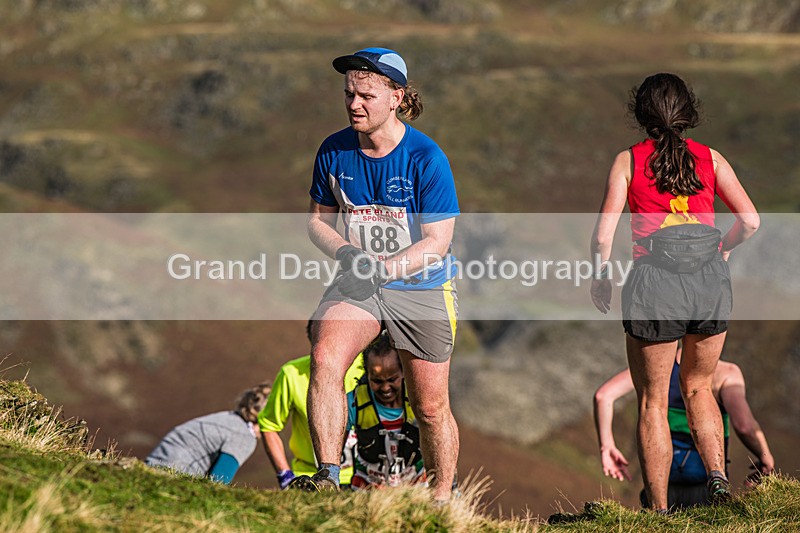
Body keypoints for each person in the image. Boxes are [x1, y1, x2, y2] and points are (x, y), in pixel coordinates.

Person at [293, 47, 460, 501]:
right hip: (358, 280)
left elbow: (437, 242)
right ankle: (328, 476)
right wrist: (349, 254)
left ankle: (443, 499)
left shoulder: (427, 158)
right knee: (325, 358)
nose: (354, 105)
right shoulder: (333, 150)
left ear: (396, 97)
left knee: (428, 406)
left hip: (419, 285)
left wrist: (383, 267)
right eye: (348, 94)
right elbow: (316, 223)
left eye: (365, 95)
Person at [589, 73, 760, 511]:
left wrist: (601, 276)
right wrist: (722, 250)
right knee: (701, 386)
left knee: (653, 402)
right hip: (709, 282)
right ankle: (718, 478)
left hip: (654, 284)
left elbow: (603, 237)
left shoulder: (628, 161)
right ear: (688, 112)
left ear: (641, 113)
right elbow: (751, 221)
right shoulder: (711, 158)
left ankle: (661, 510)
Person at [594, 346, 775, 509]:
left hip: (662, 485)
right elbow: (744, 426)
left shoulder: (656, 366)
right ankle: (717, 479)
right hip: (705, 485)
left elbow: (603, 396)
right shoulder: (726, 373)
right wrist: (764, 457)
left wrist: (607, 445)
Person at [258, 321, 364, 489]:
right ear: (312, 338)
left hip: (364, 477)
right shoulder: (291, 373)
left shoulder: (369, 367)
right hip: (310, 478)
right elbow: (269, 425)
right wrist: (285, 475)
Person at [145, 382, 271, 484]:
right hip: (174, 477)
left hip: (153, 465)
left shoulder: (227, 418)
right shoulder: (244, 436)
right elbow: (217, 482)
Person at [347, 332, 425, 489]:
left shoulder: (420, 398)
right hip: (367, 486)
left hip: (416, 484)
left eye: (392, 379)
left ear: (403, 372)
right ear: (366, 374)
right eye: (376, 381)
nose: (385, 388)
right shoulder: (353, 402)